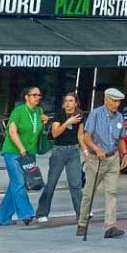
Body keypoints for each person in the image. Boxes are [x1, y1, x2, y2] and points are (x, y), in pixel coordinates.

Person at [76, 87, 127, 240]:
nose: (117, 104)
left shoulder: (119, 117)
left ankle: (110, 226)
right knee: (89, 192)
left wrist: (124, 153)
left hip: (113, 157)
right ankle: (82, 222)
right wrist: (96, 148)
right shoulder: (96, 114)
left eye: (118, 101)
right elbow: (86, 137)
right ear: (106, 99)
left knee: (112, 192)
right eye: (114, 101)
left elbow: (121, 138)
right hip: (96, 158)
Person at [0, 85, 44, 227]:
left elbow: (39, 125)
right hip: (14, 152)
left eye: (39, 95)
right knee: (19, 182)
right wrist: (22, 149)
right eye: (34, 95)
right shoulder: (18, 111)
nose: (37, 97)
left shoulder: (38, 111)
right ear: (26, 97)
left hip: (29, 153)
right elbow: (12, 132)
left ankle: (4, 217)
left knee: (14, 186)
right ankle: (26, 213)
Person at [37, 91, 86, 223]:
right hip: (59, 151)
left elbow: (80, 135)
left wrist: (85, 150)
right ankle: (42, 212)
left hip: (74, 150)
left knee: (76, 183)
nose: (68, 104)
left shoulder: (79, 115)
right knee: (51, 183)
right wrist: (67, 122)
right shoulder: (59, 115)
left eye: (71, 101)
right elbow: (55, 133)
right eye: (66, 101)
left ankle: (81, 213)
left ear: (76, 103)